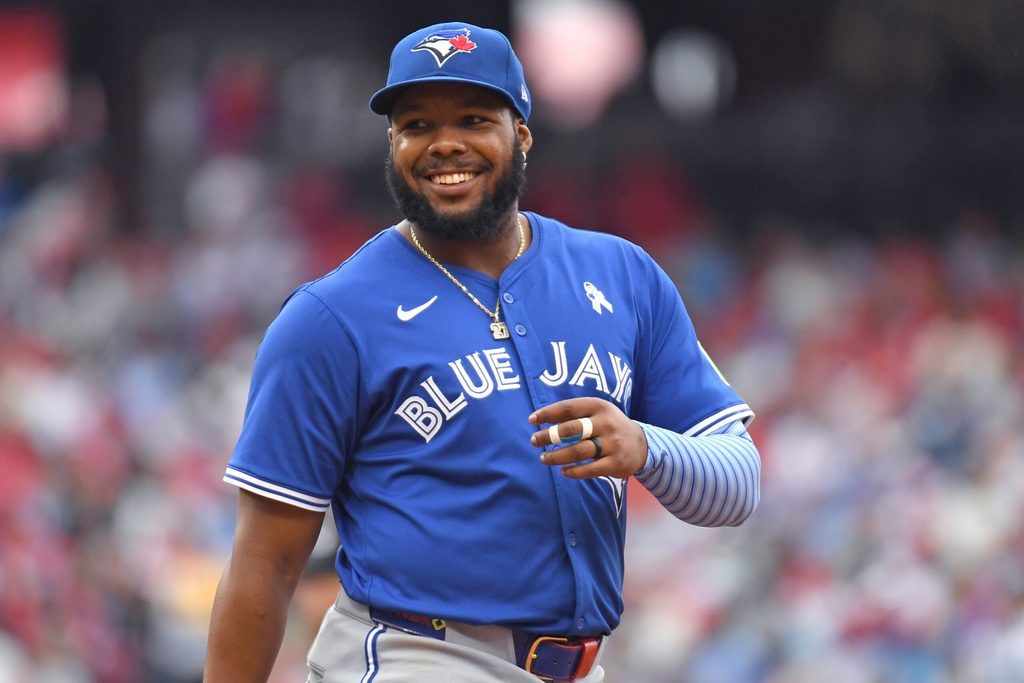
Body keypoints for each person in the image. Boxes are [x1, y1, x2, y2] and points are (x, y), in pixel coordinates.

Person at [204, 21, 761, 683]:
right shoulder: (331, 318)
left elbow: (737, 484)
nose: (444, 145)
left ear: (520, 134)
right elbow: (264, 565)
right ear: (392, 142)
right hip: (421, 654)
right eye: (416, 125)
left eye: (473, 118)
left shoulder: (622, 275)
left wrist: (646, 446)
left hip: (579, 666)